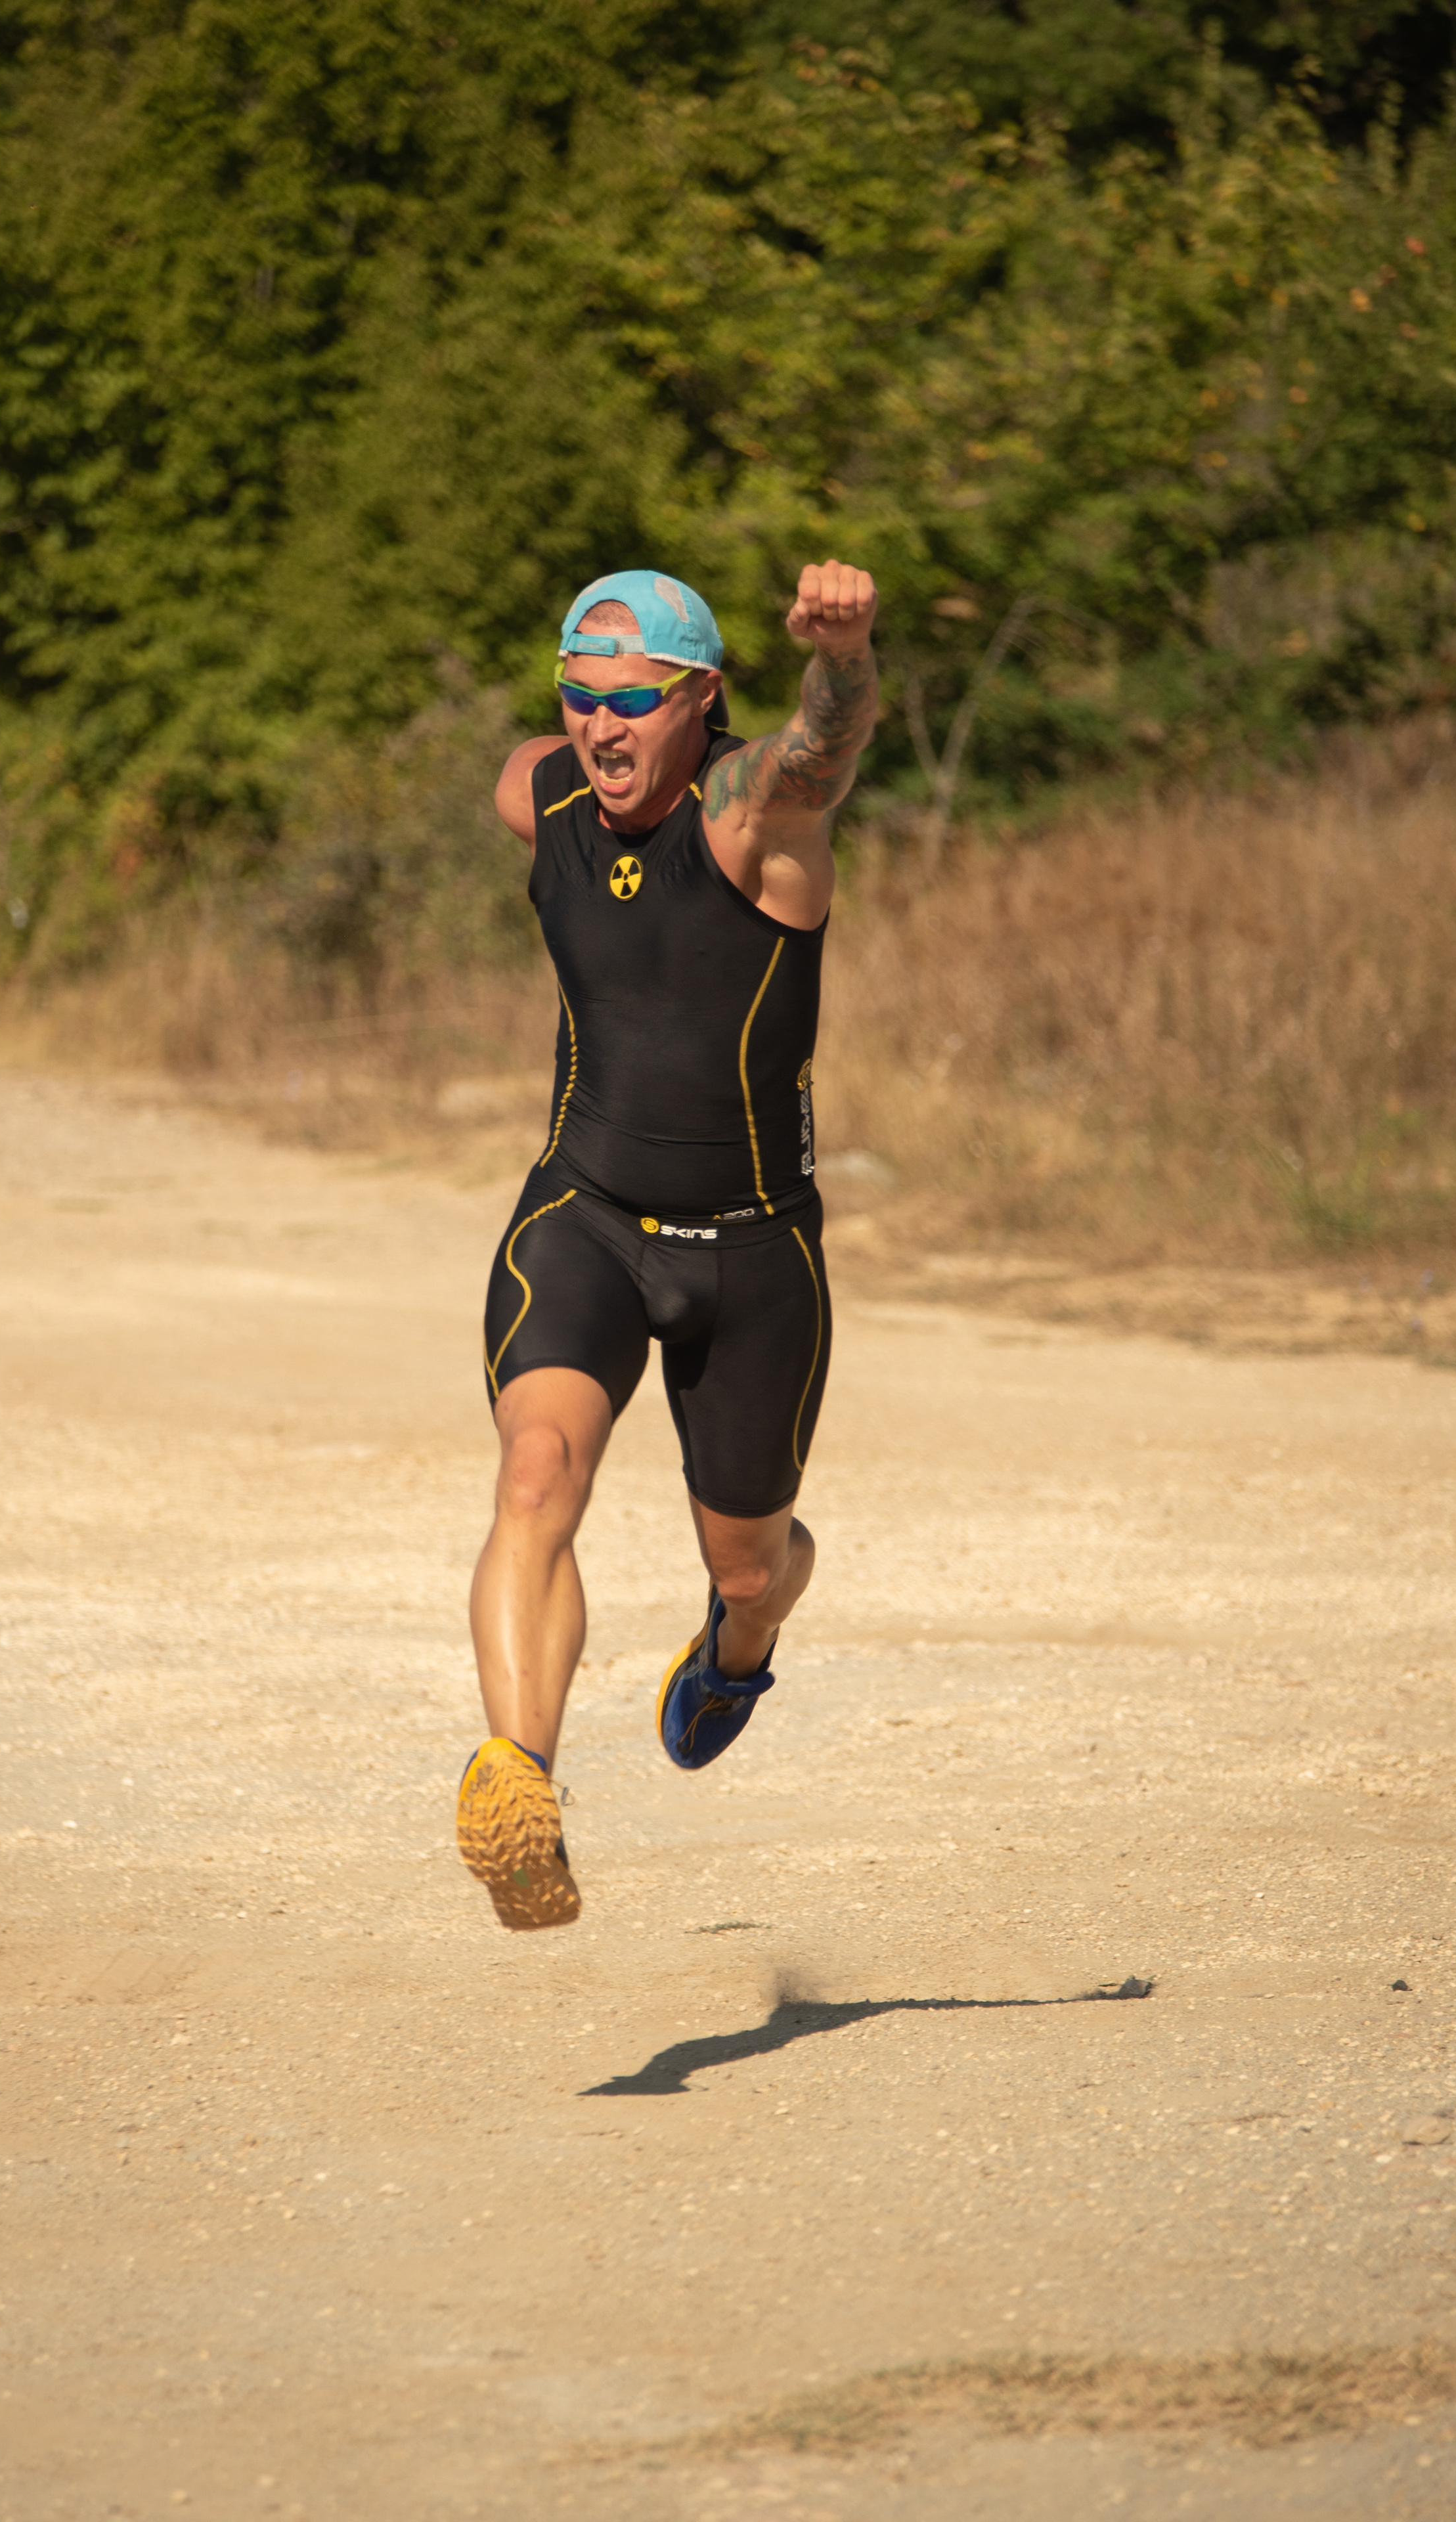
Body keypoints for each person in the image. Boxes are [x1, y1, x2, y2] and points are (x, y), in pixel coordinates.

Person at [455, 560, 879, 1930]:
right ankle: (520, 1787)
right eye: (576, 697)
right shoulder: (545, 793)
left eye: (631, 699)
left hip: (751, 1258)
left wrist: (847, 656)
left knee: (747, 1558)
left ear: (702, 700)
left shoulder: (757, 824)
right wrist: (571, 723)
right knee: (535, 1477)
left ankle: (740, 1647)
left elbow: (824, 747)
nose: (596, 727)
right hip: (581, 1216)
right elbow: (524, 771)